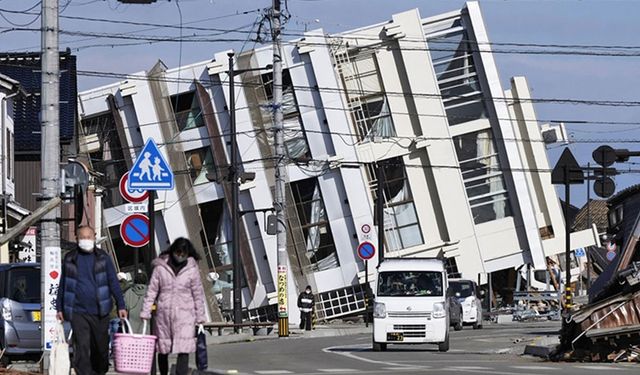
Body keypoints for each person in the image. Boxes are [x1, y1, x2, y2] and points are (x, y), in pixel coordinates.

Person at [56, 226, 127, 375]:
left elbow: (113, 282)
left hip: (100, 311)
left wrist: (121, 305)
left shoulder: (103, 257)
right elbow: (63, 283)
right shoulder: (70, 258)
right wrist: (59, 308)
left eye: (89, 237)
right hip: (77, 311)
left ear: (94, 237)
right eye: (83, 237)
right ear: (77, 238)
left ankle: (100, 371)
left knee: (100, 348)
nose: (86, 240)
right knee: (82, 347)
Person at [140, 238, 206, 375]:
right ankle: (163, 373)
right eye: (178, 252)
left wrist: (200, 316)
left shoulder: (192, 269)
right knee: (163, 348)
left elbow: (198, 294)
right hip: (164, 314)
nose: (180, 256)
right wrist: (145, 311)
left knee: (184, 349)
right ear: (173, 250)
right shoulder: (160, 268)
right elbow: (152, 291)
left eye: (184, 253)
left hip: (185, 314)